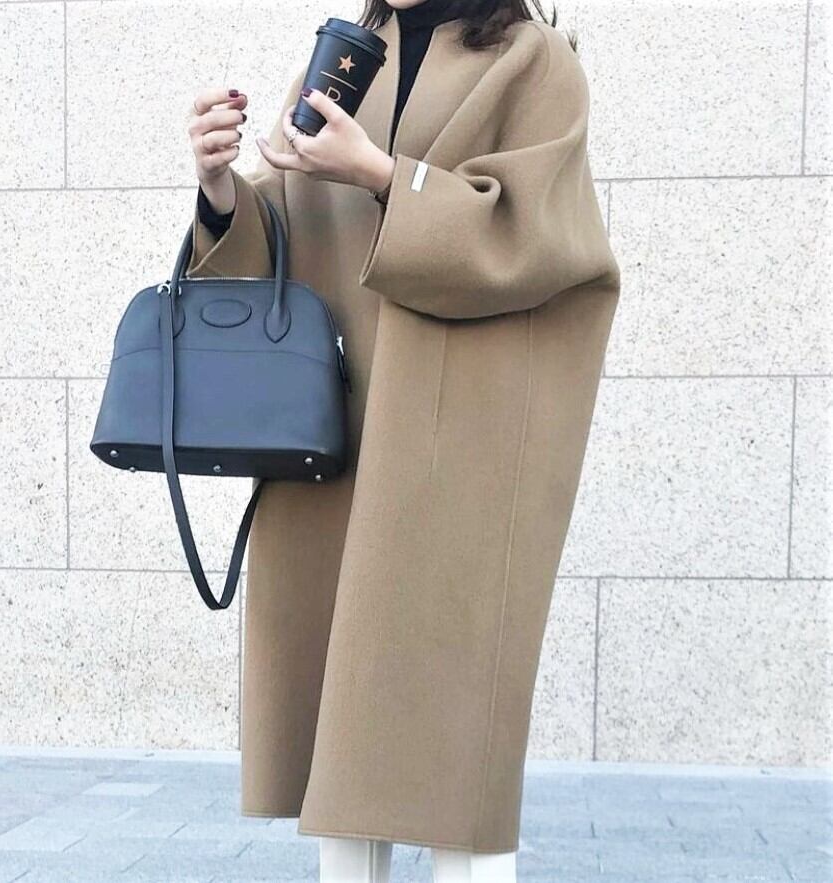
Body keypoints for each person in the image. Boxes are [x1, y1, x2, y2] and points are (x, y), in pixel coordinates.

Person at [186, 2, 620, 881]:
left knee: (458, 751)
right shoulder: (350, 56)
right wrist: (223, 187)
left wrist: (386, 177)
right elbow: (290, 240)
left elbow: (538, 236)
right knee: (341, 734)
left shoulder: (534, 62)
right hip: (337, 434)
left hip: (461, 447)